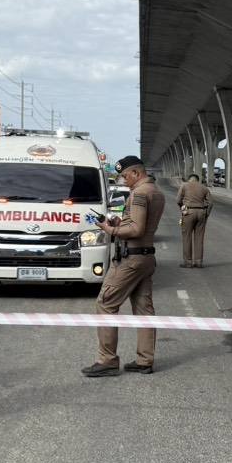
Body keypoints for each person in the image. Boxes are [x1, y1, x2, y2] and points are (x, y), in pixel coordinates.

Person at [82, 156, 165, 377]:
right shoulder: (156, 192)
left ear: (136, 173)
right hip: (146, 257)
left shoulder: (139, 193)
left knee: (106, 303)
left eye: (125, 176)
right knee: (144, 309)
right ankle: (145, 360)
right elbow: (140, 224)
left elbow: (136, 229)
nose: (123, 180)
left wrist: (109, 229)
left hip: (131, 259)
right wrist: (120, 223)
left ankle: (107, 360)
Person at [177, 173, 212, 267]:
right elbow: (210, 203)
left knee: (187, 237)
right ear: (198, 180)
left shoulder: (184, 186)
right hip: (201, 213)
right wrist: (206, 214)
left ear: (189, 179)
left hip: (188, 212)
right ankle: (198, 262)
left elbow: (178, 200)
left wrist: (182, 208)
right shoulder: (204, 188)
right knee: (199, 238)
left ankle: (188, 262)